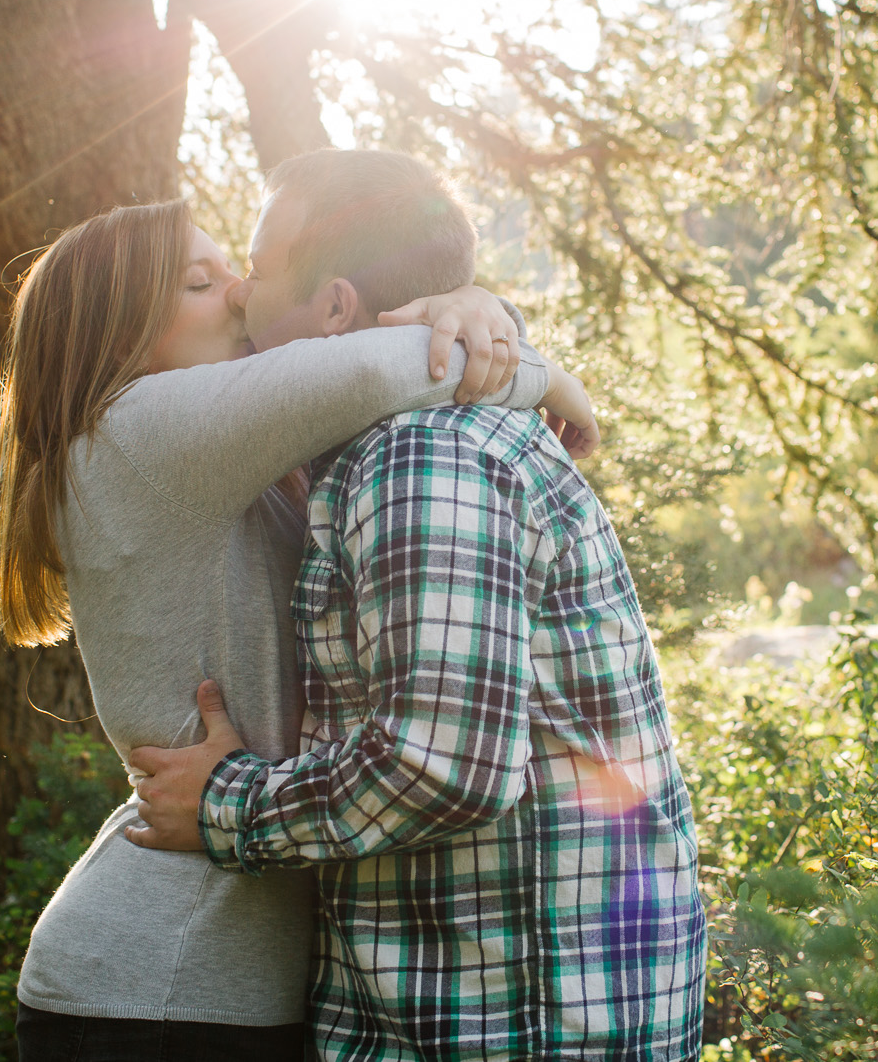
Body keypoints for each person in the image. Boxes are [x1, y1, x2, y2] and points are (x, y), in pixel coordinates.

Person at [0, 189, 599, 1062]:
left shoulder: (209, 463)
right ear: (119, 331)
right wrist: (539, 372)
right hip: (162, 990)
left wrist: (479, 309)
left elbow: (366, 364)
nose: (240, 293)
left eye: (234, 271)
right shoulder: (136, 433)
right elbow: (367, 368)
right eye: (202, 283)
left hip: (197, 986)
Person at [130, 149, 706, 1061]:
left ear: (335, 307)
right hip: (485, 998)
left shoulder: (419, 458)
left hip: (513, 1017)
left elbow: (445, 766)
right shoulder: (383, 444)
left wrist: (227, 806)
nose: (240, 293)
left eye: (259, 265)